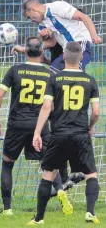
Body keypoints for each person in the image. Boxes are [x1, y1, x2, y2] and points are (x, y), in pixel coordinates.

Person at [0, 37, 66, 215]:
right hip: (40, 125)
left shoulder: (15, 70)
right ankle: (62, 193)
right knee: (49, 164)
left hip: (17, 124)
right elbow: (54, 105)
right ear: (42, 52)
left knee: (7, 164)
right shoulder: (50, 74)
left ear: (25, 50)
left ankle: (8, 209)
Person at [28, 42, 100, 225]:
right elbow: (97, 112)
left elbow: (46, 107)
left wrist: (37, 132)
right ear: (81, 57)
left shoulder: (54, 79)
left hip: (58, 134)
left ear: (64, 57)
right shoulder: (90, 81)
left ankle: (39, 219)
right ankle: (90, 213)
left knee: (48, 174)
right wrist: (90, 126)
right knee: (91, 174)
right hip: (80, 135)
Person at [14, 0, 102, 73]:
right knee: (53, 76)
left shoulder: (57, 7)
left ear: (33, 9)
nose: (31, 20)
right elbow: (51, 43)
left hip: (80, 43)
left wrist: (94, 35)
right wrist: (43, 37)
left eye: (30, 17)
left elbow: (84, 17)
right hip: (66, 51)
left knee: (74, 74)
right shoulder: (42, 24)